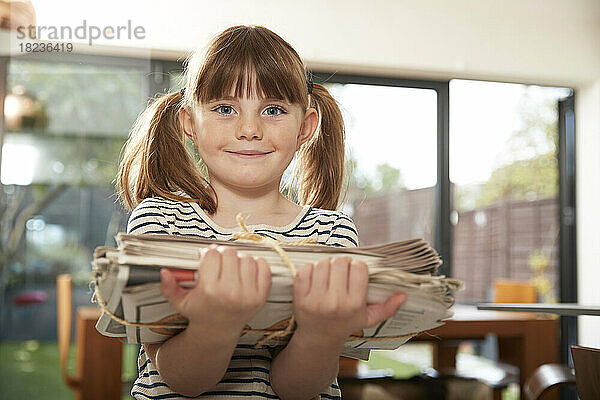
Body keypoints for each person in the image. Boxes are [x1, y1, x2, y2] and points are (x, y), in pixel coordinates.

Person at [116, 25, 407, 400]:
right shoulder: (160, 223)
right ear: (190, 122)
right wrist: (217, 323)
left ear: (305, 127)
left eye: (273, 110)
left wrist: (320, 334)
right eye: (224, 109)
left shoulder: (331, 233)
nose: (249, 129)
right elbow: (183, 381)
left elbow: (297, 390)